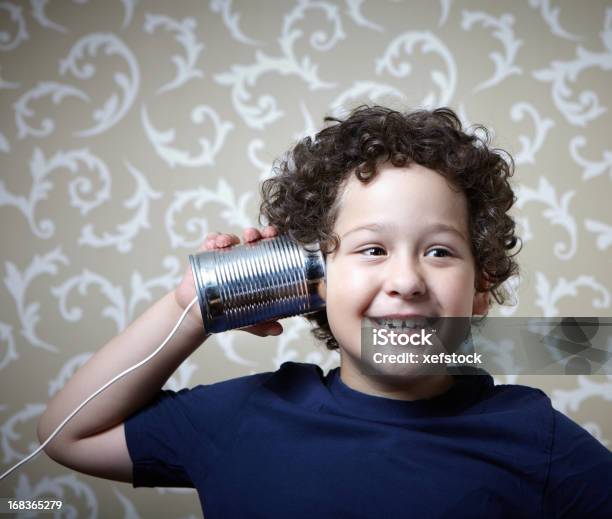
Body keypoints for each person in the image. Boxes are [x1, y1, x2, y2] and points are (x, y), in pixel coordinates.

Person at [37, 105, 612, 518]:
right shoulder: (243, 417)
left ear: (480, 287)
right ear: (313, 279)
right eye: (372, 249)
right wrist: (189, 309)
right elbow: (69, 435)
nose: (407, 280)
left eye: (439, 251)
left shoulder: (535, 440)